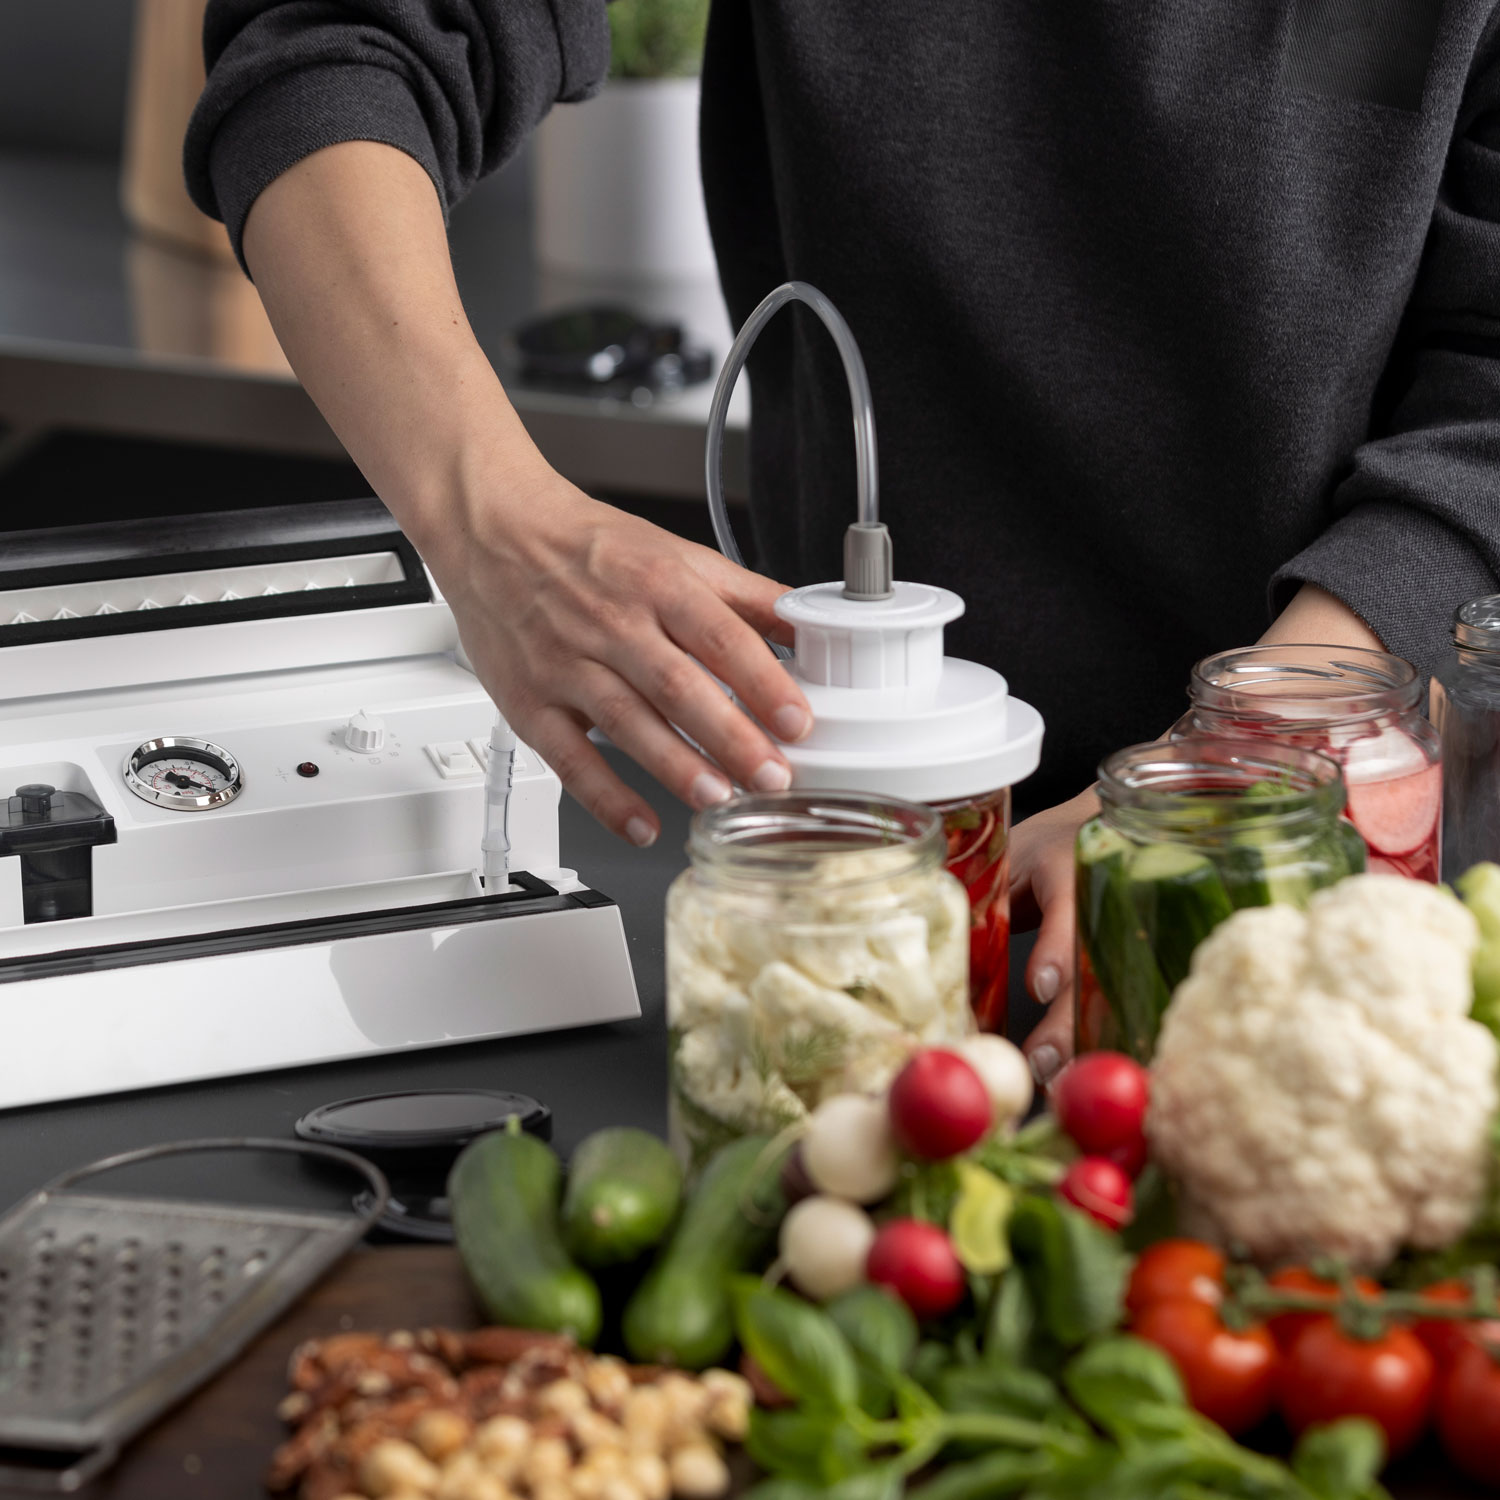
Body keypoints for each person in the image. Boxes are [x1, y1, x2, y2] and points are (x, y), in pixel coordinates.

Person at [184, 1, 1498, 1082]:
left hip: (1346, 922)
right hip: (830, 932)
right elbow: (333, 49)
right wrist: (488, 517)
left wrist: (1238, 773)